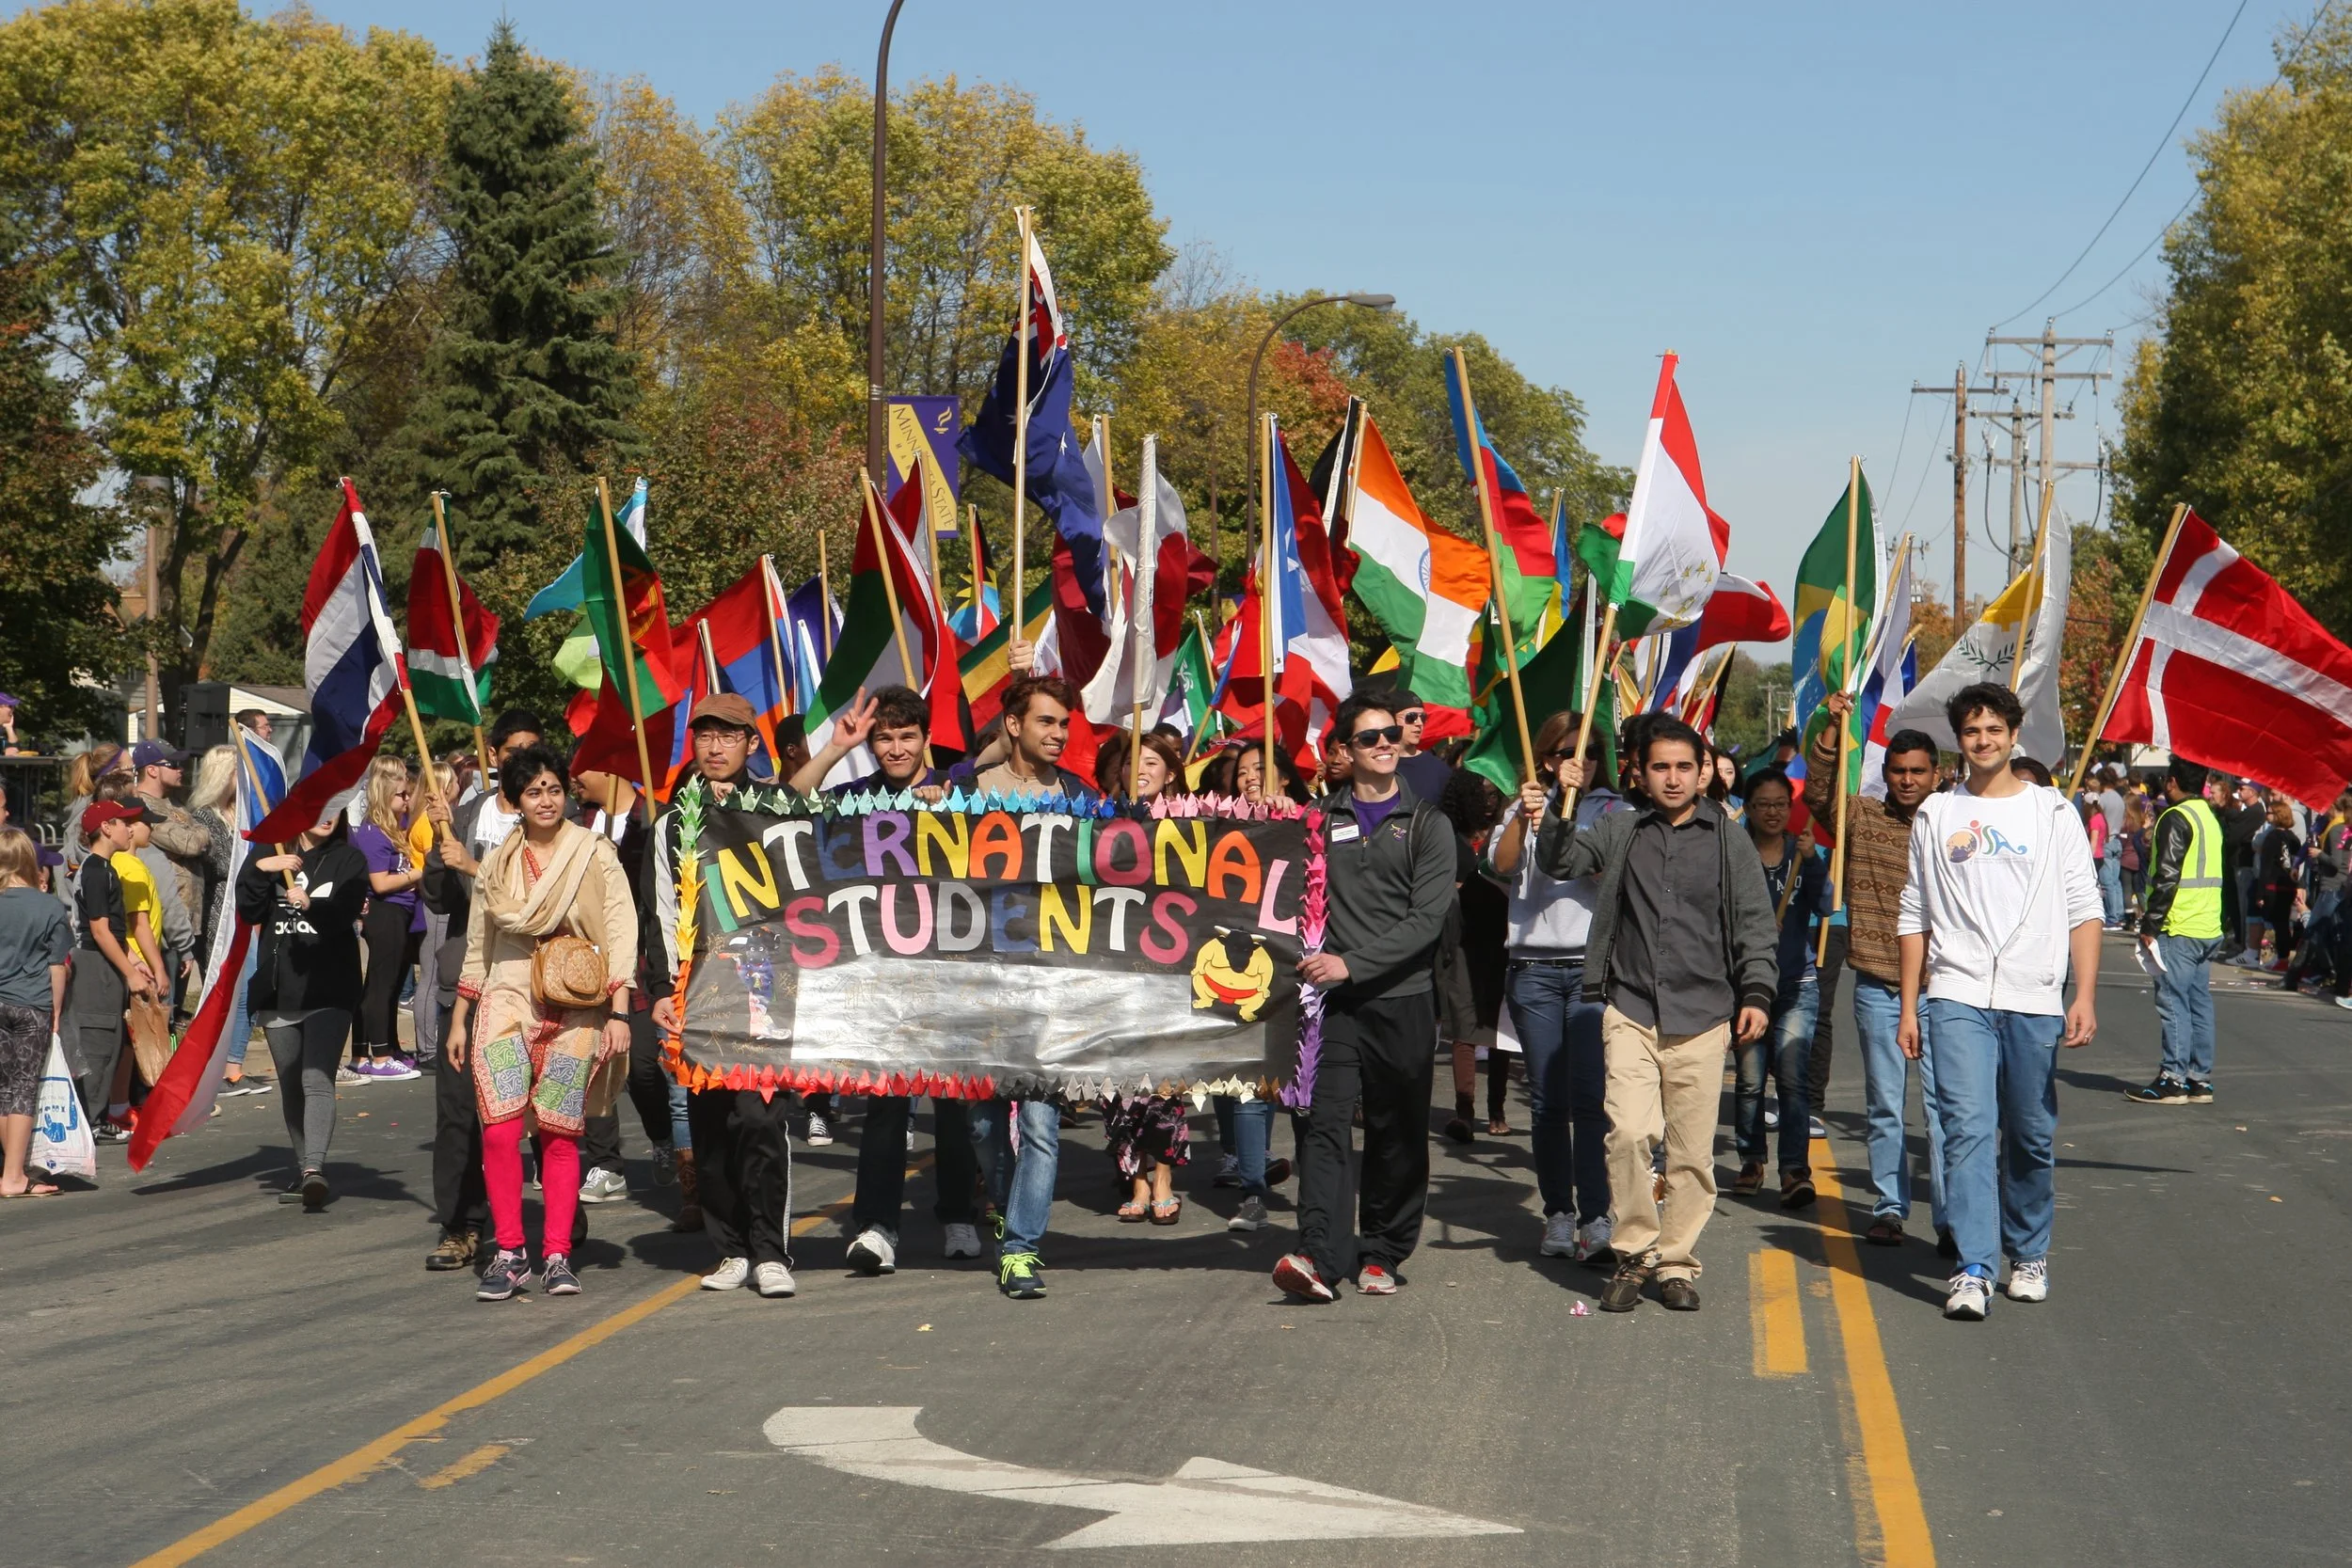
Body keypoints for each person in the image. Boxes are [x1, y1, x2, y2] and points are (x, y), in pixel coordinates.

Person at [1536, 717, 1775, 1314]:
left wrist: (1757, 994)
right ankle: (1635, 1252)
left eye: (1685, 767)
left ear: (1702, 774)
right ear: (1640, 775)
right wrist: (1559, 806)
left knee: (1692, 1154)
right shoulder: (1619, 829)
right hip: (1631, 1009)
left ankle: (1675, 1264)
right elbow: (1559, 861)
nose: (1673, 778)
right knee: (1628, 1133)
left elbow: (1754, 923)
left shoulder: (1728, 837)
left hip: (1704, 1012)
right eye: (1661, 768)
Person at [1899, 682, 2102, 1320]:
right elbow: (1915, 915)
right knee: (1966, 1129)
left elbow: (2084, 908)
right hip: (1956, 992)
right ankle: (1974, 1265)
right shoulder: (1936, 814)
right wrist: (1911, 1004)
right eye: (1970, 731)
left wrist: (2084, 994)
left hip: (2034, 996)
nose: (1982, 741)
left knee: (2031, 1134)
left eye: (1993, 730)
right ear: (1957, 740)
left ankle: (2030, 1250)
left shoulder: (2053, 812)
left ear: (2014, 735)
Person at [1271, 695, 1456, 1304]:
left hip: (1402, 998)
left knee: (1396, 1129)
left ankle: (1381, 1249)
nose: (1384, 741)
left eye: (1391, 732)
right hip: (1333, 1005)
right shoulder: (1316, 820)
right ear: (1344, 751)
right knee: (1322, 1124)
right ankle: (1321, 1254)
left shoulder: (1429, 823)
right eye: (1369, 735)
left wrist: (1353, 962)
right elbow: (1271, 878)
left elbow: (1425, 920)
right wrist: (1265, 818)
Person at [447, 743, 638, 1303]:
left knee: (558, 1131)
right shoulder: (499, 864)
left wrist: (619, 1009)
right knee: (501, 1130)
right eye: (534, 791)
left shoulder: (593, 852)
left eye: (554, 788)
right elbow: (479, 946)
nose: (547, 800)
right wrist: (461, 1018)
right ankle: (510, 1253)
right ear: (516, 800)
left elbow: (621, 928)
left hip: (579, 1007)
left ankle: (556, 1254)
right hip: (507, 1002)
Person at [811, 687, 979, 1274]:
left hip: (954, 975)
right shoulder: (855, 798)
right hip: (882, 981)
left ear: (925, 738)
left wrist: (953, 802)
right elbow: (787, 803)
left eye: (907, 736)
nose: (896, 747)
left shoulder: (960, 789)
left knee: (956, 1102)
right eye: (885, 737)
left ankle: (960, 1214)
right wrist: (837, 748)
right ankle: (877, 1227)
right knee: (885, 1107)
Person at [946, 673, 1096, 1300]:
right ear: (1013, 724)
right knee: (982, 1125)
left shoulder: (1081, 796)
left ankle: (1021, 1248)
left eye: (1063, 723)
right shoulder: (967, 789)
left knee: (1040, 1123)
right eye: (1045, 721)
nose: (1059, 734)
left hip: (1049, 988)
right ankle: (1008, 1205)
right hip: (979, 986)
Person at [651, 695, 801, 1298]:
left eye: (728, 736)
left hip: (767, 983)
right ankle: (731, 1249)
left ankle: (769, 1251)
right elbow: (660, 909)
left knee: (759, 1119)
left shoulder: (779, 809)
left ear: (750, 745)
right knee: (708, 1125)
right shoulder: (670, 825)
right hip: (701, 988)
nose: (715, 747)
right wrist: (663, 988)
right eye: (705, 736)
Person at [1806, 696, 1950, 1253]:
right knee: (1886, 1105)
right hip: (1878, 987)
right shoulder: (1863, 818)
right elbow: (1819, 795)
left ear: (1936, 774)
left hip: (1945, 989)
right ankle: (1889, 1207)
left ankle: (1950, 1216)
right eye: (1898, 771)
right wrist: (1828, 731)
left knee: (1943, 1109)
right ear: (1885, 774)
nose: (1908, 781)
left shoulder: (1955, 823)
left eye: (1918, 772)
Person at [1489, 711, 1623, 1265]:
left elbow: (1604, 874)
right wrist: (1526, 817)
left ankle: (1596, 1214)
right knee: (1548, 1102)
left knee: (1592, 1099)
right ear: (1548, 757)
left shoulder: (1615, 811)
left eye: (1590, 751)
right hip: (1534, 970)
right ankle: (1559, 1214)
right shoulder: (1521, 805)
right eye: (1570, 750)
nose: (1582, 760)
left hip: (1592, 972)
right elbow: (1497, 865)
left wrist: (1563, 829)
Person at [420, 712, 544, 1273]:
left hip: (537, 988)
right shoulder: (466, 814)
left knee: (545, 1110)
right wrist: (437, 849)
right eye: (512, 751)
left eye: (532, 751)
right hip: (469, 986)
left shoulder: (548, 819)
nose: (521, 762)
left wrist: (474, 865)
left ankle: (561, 1217)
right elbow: (441, 900)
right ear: (493, 756)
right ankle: (462, 1225)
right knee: (461, 1114)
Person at [236, 807, 369, 1212]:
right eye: (319, 807)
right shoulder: (272, 850)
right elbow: (249, 910)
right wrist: (263, 868)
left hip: (329, 988)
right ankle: (304, 1167)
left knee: (316, 1078)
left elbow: (347, 909)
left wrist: (311, 904)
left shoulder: (349, 858)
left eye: (335, 810)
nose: (326, 817)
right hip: (280, 988)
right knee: (291, 1085)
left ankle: (314, 1169)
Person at [1733, 769, 1825, 1208]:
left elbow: (1826, 905)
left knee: (1792, 1079)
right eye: (1763, 804)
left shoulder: (1801, 852)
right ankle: (1751, 1159)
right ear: (1748, 809)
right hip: (1748, 986)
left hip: (1797, 984)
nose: (1772, 812)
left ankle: (1794, 1170)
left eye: (1780, 805)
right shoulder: (1734, 854)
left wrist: (1815, 861)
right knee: (1750, 1082)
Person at [2126, 757, 2228, 1105]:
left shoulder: (2176, 817)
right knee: (2198, 1003)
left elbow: (2166, 875)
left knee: (2172, 1002)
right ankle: (2199, 1078)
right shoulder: (2208, 817)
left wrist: (2150, 923)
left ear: (2172, 783)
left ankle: (2173, 1078)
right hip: (2206, 924)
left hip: (2179, 923)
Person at [65, 800, 153, 1138]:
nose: (129, 828)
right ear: (105, 828)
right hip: (94, 965)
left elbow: (115, 930)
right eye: (122, 822)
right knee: (98, 1043)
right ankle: (91, 1121)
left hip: (108, 961)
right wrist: (129, 974)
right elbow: (99, 930)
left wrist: (134, 961)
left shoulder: (108, 868)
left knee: (113, 1040)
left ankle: (98, 1117)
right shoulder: (96, 870)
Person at [0, 827, 71, 1196]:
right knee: (24, 1087)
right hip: (31, 1002)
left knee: (2, 1087)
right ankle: (15, 1174)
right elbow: (56, 964)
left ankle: (11, 1167)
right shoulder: (49, 906)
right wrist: (56, 1010)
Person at [350, 756, 425, 1082]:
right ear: (383, 795)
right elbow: (380, 882)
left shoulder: (396, 828)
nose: (407, 800)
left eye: (407, 794)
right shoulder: (373, 833)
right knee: (381, 984)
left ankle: (385, 1048)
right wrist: (418, 874)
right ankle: (377, 1056)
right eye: (401, 796)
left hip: (402, 910)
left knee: (391, 983)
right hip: (385, 910)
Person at [128, 738, 211, 947]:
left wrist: (199, 836)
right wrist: (202, 832)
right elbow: (188, 844)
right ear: (152, 770)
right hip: (165, 919)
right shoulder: (141, 806)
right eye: (173, 765)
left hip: (189, 916)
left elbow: (210, 845)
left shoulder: (175, 803)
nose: (180, 770)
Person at [0, 691, 22, 755]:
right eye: (10, 706)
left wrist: (9, 728)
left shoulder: (4, 730)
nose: (13, 710)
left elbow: (15, 753)